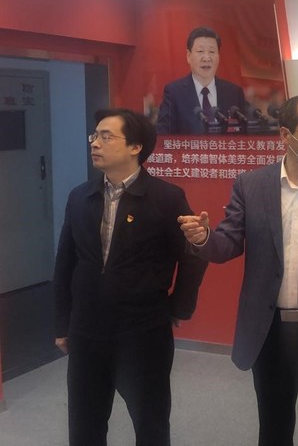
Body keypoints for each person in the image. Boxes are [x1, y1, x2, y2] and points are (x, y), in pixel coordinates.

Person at [179, 94, 298, 446]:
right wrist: (204, 238)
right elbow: (227, 243)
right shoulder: (251, 185)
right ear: (285, 135)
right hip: (267, 332)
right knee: (273, 429)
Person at [53, 108, 207, 446]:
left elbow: (191, 254)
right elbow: (65, 263)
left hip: (143, 331)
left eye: (106, 136)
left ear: (136, 147)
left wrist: (179, 308)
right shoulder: (80, 196)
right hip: (87, 329)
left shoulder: (167, 197)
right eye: (94, 135)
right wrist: (63, 323)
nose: (95, 143)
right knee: (85, 425)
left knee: (150, 423)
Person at [156, 26, 248, 134]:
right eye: (200, 51)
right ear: (188, 56)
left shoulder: (234, 93)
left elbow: (245, 134)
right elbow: (163, 136)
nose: (206, 58)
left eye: (212, 52)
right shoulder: (174, 93)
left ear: (218, 56)